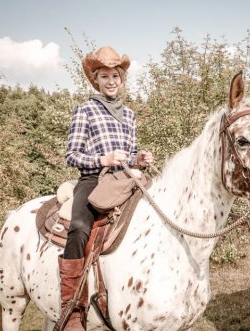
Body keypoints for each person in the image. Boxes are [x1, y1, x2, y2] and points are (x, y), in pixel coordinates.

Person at [58, 46, 153, 330]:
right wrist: (104, 159)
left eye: (116, 76)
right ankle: (72, 309)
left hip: (125, 180)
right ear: (95, 80)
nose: (111, 81)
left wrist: (140, 159)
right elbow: (71, 155)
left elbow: (130, 153)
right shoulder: (84, 110)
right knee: (77, 226)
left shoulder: (130, 115)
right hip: (93, 180)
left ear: (122, 80)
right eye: (104, 76)